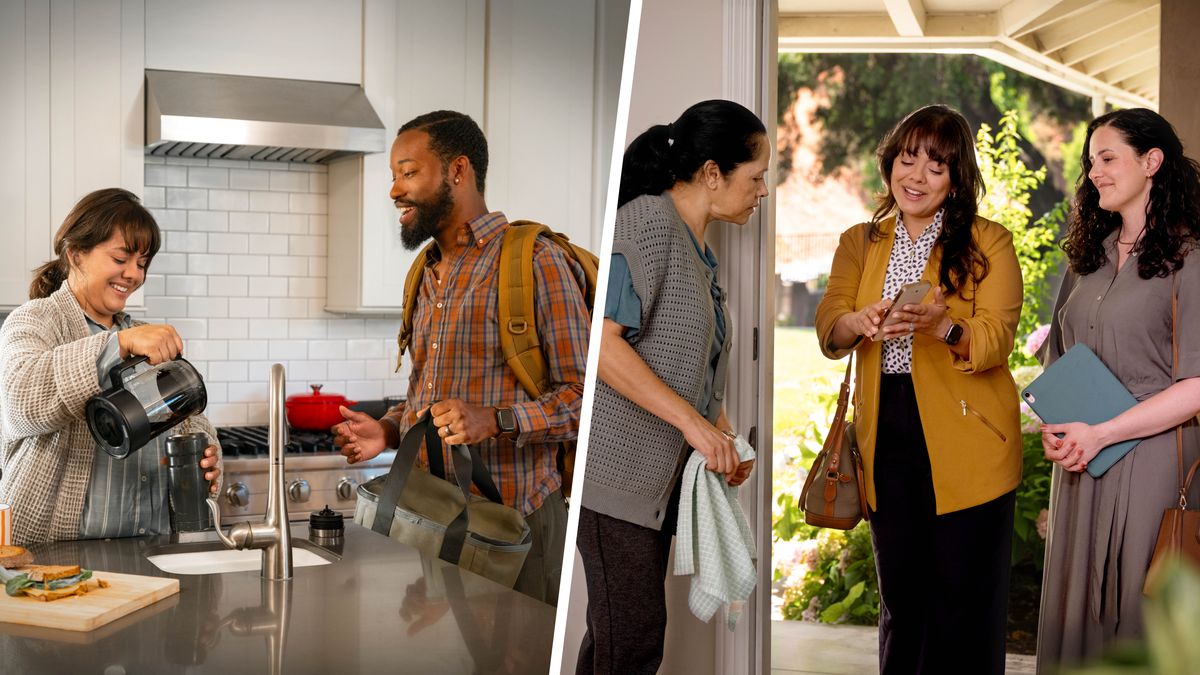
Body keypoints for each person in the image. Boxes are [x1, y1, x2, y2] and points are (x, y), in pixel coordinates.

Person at [332, 110, 590, 606]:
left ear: (457, 171)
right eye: (394, 177)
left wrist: (494, 420)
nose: (394, 191)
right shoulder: (425, 271)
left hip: (513, 528)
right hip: (432, 520)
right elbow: (425, 395)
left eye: (409, 173)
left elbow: (587, 400)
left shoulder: (536, 261)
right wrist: (387, 430)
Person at [813, 104, 1023, 674]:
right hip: (888, 435)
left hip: (970, 437)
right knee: (903, 601)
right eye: (907, 160)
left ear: (957, 179)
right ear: (889, 165)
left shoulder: (990, 243)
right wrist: (858, 321)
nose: (917, 177)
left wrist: (942, 326)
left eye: (936, 167)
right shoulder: (860, 241)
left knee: (966, 604)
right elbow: (830, 320)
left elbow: (997, 337)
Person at [576, 99, 766, 675]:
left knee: (616, 644)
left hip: (650, 487)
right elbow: (604, 346)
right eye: (755, 177)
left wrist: (723, 436)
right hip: (613, 480)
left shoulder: (696, 249)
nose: (762, 191)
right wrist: (694, 426)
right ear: (713, 173)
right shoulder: (646, 225)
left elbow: (688, 362)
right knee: (630, 645)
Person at [1035, 108, 1200, 670]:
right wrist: (1054, 433)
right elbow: (1060, 360)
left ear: (1151, 162)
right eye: (1090, 163)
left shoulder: (1191, 259)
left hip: (1152, 466)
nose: (1095, 172)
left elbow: (1198, 385)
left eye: (1108, 158)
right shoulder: (1086, 260)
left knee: (1133, 613)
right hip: (1080, 466)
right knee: (1071, 613)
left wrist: (1104, 432)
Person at [0, 187, 221, 545]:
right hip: (60, 553)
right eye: (121, 259)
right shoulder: (35, 321)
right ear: (76, 255)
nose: (133, 274)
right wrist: (115, 345)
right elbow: (20, 402)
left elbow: (190, 420)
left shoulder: (139, 336)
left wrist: (207, 453)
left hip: (150, 546)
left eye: (142, 263)